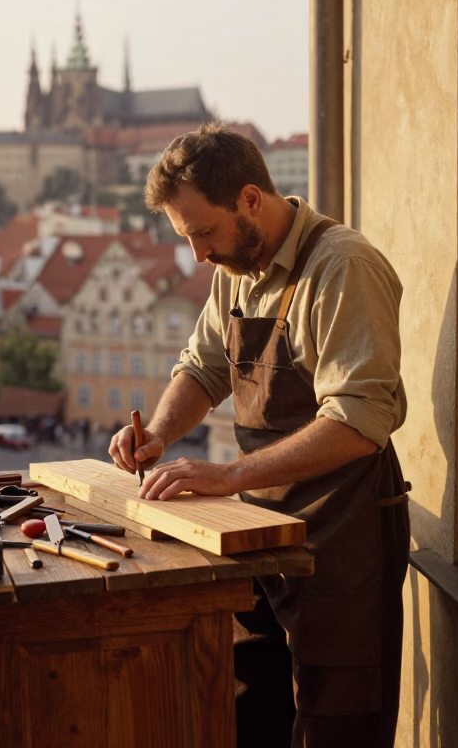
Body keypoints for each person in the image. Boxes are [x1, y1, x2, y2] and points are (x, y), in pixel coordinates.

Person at [109, 122, 410, 748]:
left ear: (250, 199)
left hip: (345, 536)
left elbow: (358, 422)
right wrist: (160, 433)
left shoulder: (342, 266)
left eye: (203, 233)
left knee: (339, 725)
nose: (197, 254)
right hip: (263, 536)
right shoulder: (237, 269)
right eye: (186, 238)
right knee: (254, 714)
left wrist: (227, 476)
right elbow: (204, 366)